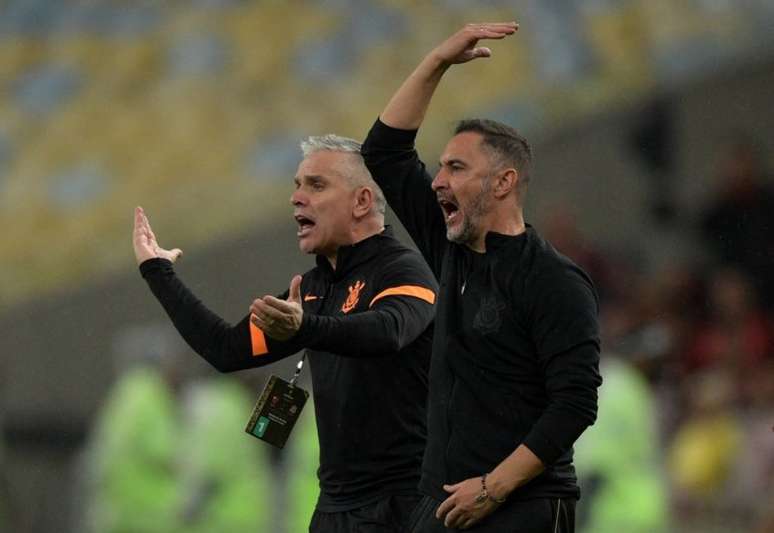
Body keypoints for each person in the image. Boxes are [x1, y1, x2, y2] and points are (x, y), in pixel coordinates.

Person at [361, 23, 602, 532]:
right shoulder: (450, 248)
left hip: (522, 506)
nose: (439, 180)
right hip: (445, 501)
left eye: (456, 167)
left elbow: (575, 403)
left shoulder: (554, 279)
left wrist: (493, 488)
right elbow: (384, 151)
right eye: (441, 167)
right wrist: (437, 62)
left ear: (503, 182)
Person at [132, 134, 438, 532]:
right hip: (335, 508)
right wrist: (158, 272)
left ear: (362, 201)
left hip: (404, 504)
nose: (297, 197)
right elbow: (227, 350)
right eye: (296, 185)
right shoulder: (312, 289)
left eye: (316, 184)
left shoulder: (404, 271)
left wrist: (305, 327)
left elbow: (389, 331)